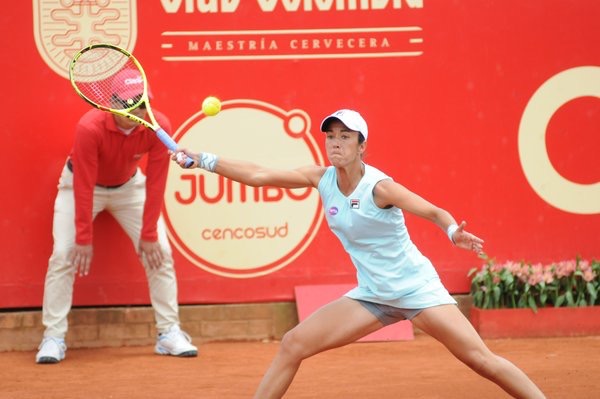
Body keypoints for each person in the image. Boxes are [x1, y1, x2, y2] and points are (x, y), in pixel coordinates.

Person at [172, 109, 546, 398]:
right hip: (372, 296)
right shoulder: (320, 178)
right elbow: (258, 175)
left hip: (416, 290)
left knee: (481, 361)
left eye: (345, 136)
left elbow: (432, 211)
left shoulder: (380, 187)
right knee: (293, 344)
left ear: (361, 145)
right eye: (330, 136)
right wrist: (204, 160)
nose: (335, 142)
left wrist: (452, 231)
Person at [36, 69, 197, 364]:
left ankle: (168, 333)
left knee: (160, 252)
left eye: (142, 103)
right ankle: (53, 337)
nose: (136, 110)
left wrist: (148, 233)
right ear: (111, 102)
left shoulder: (158, 125)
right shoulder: (90, 127)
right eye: (129, 104)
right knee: (63, 255)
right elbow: (84, 183)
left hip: (129, 188)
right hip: (81, 186)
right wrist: (83, 237)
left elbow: (156, 181)